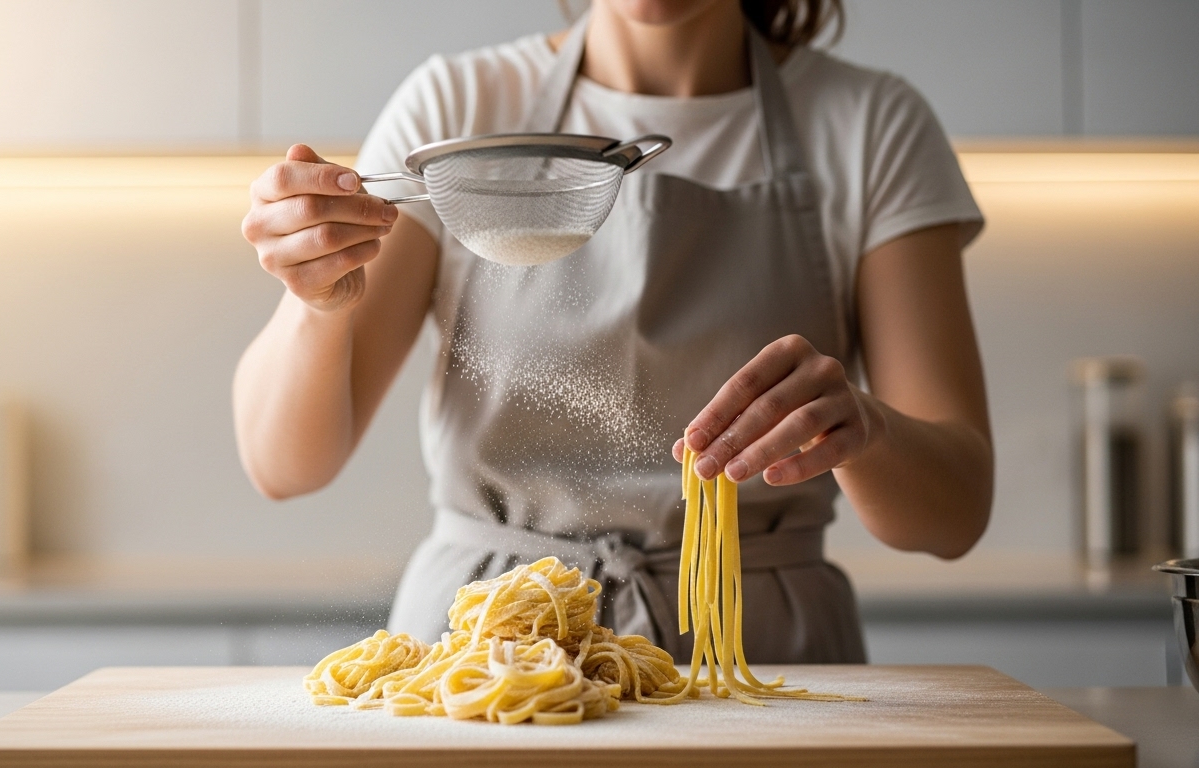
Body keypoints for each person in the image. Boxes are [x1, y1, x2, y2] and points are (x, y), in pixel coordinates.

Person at [234, 0, 992, 663]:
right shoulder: (457, 107)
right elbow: (285, 465)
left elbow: (955, 515)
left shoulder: (872, 125)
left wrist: (869, 430)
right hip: (485, 656)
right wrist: (317, 302)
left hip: (759, 660)